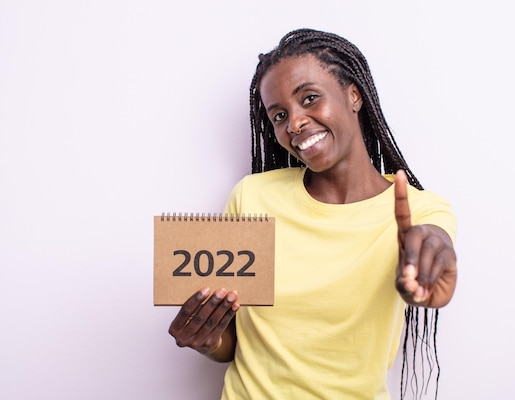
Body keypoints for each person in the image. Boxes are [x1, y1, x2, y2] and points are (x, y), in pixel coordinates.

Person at [168, 28, 457, 400]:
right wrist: (207, 339)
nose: (294, 123)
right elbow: (235, 342)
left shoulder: (418, 210)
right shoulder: (253, 197)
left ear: (353, 95)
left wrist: (429, 261)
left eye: (310, 98)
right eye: (278, 115)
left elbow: (436, 241)